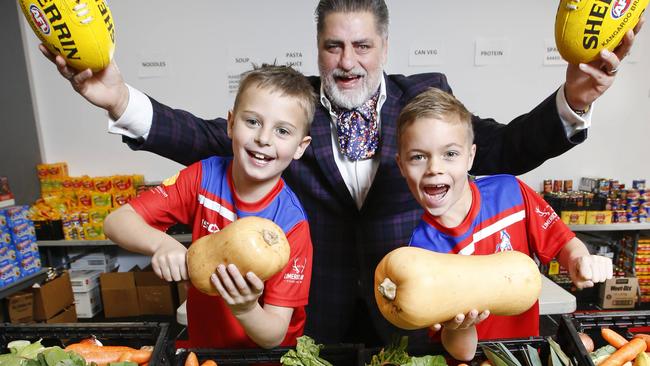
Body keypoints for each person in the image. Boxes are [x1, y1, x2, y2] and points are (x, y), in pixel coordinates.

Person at [43, 0, 641, 345]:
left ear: (383, 45)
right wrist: (121, 100)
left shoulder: (425, 99)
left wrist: (574, 99)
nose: (347, 61)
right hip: (309, 308)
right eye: (333, 46)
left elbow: (504, 146)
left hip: (413, 305)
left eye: (360, 45)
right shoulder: (289, 109)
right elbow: (205, 136)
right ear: (318, 48)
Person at [103, 64, 315, 349]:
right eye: (252, 122)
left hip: (265, 359)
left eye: (282, 131)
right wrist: (161, 244)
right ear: (230, 123)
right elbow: (116, 222)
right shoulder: (204, 177)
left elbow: (275, 335)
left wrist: (246, 308)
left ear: (300, 147)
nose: (264, 138)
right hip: (205, 349)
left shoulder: (292, 225)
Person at [395, 87, 613, 361]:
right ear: (401, 165)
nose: (434, 168)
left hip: (528, 355)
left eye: (450, 154)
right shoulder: (421, 254)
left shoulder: (510, 193)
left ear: (471, 157)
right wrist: (461, 327)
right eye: (418, 157)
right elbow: (462, 351)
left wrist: (580, 260)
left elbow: (563, 242)